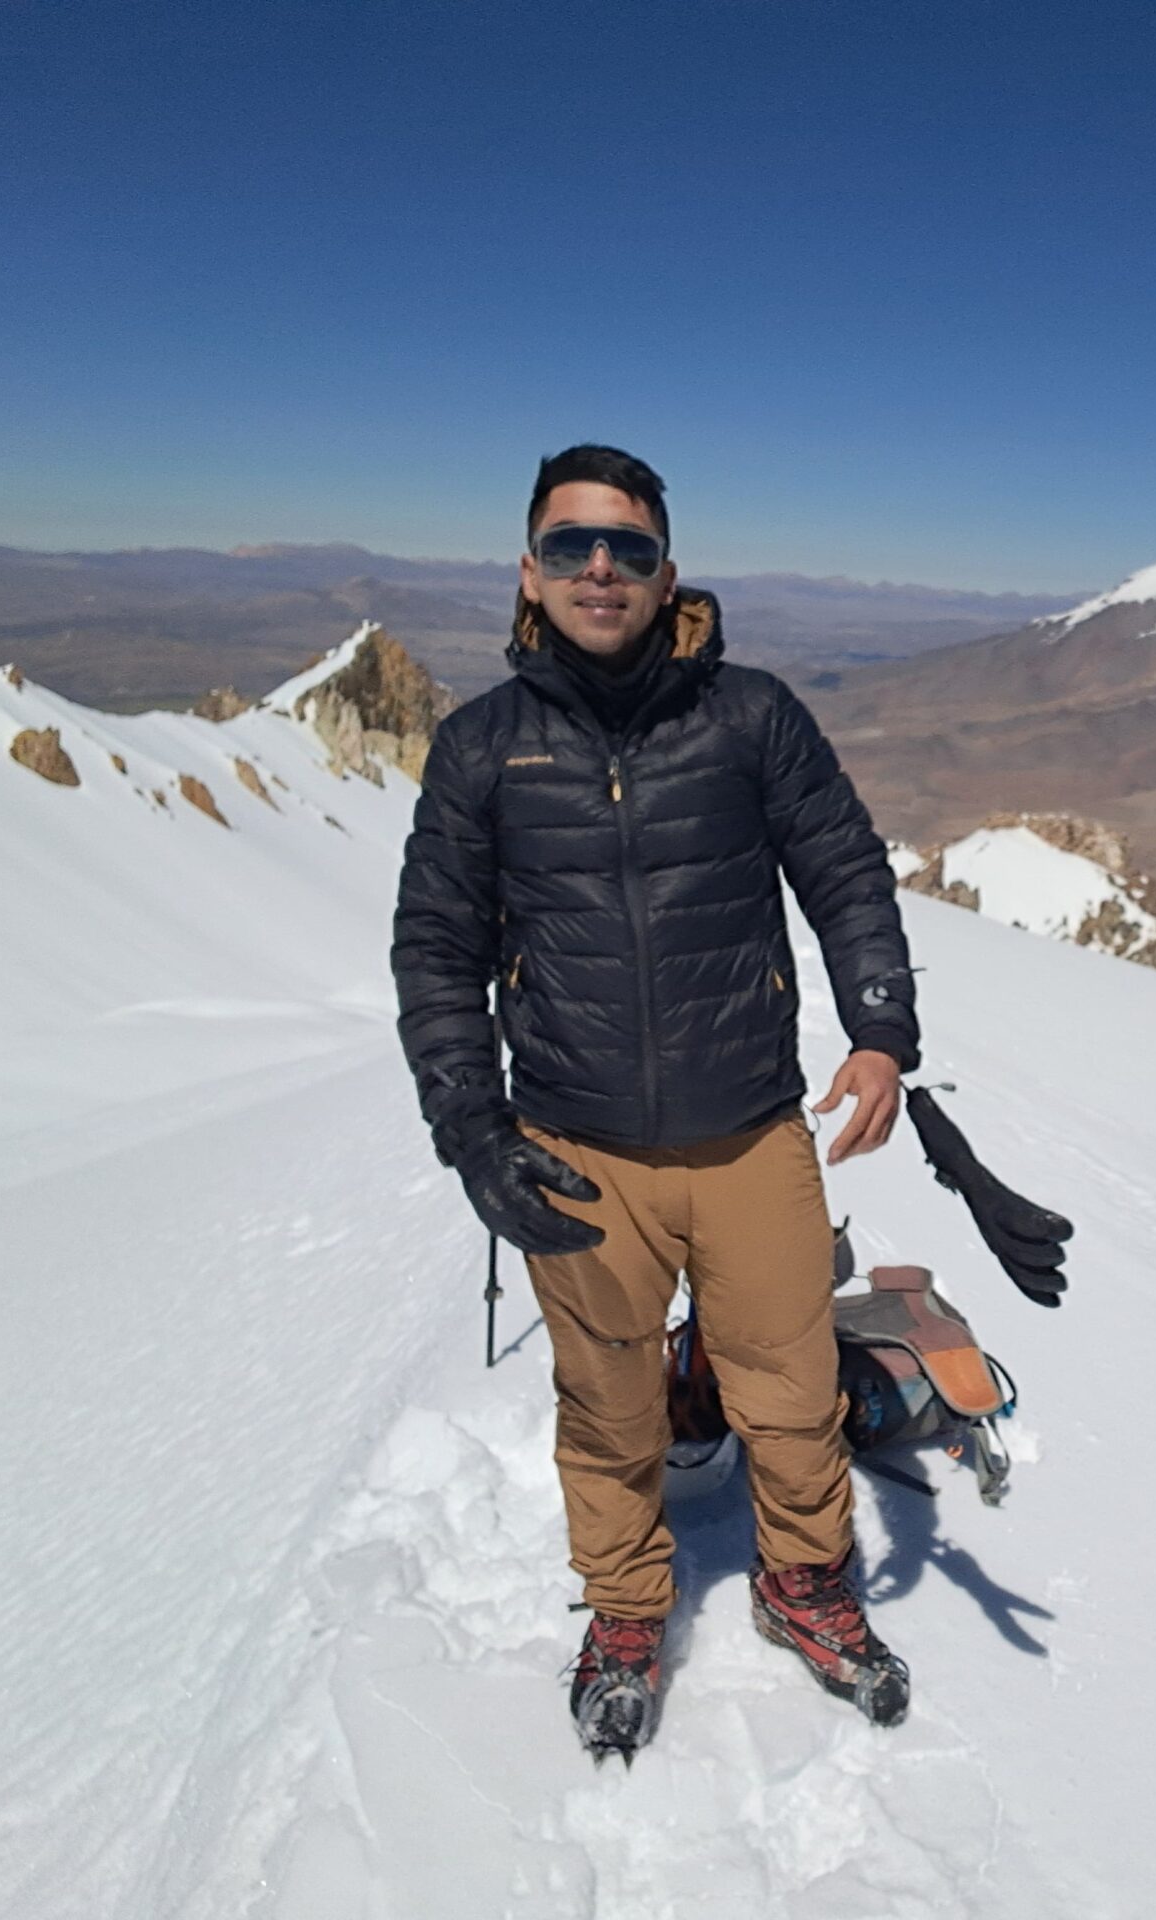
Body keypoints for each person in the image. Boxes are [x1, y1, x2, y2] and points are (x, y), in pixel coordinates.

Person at [391, 443, 921, 1756]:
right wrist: (473, 1132)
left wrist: (880, 1032)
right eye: (570, 546)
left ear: (667, 572)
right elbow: (437, 949)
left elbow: (843, 869)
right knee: (608, 1402)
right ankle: (628, 1609)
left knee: (790, 1388)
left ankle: (803, 1585)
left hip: (749, 1130)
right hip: (577, 1146)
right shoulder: (483, 750)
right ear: (529, 572)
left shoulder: (751, 717)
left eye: (626, 546)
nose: (600, 568)